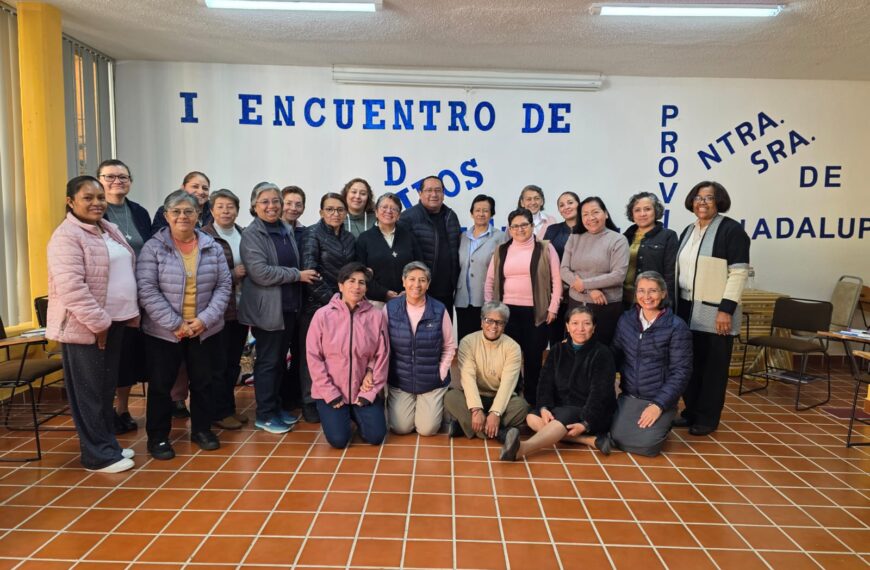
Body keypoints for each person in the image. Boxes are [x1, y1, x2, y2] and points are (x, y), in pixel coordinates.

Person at [46, 176, 140, 473]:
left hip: (114, 322)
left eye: (100, 197)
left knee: (104, 390)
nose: (97, 203)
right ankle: (97, 455)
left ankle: (107, 444)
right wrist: (100, 324)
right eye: (88, 198)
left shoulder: (106, 228)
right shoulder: (66, 237)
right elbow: (72, 288)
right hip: (86, 327)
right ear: (70, 201)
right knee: (88, 393)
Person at [137, 190, 232, 460]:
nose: (182, 216)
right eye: (176, 211)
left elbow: (224, 286)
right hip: (164, 333)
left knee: (203, 382)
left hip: (204, 330)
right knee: (161, 385)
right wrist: (176, 324)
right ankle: (158, 438)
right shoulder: (153, 247)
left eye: (188, 211)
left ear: (198, 215)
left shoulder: (211, 245)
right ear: (166, 215)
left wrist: (203, 320)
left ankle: (202, 430)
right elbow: (147, 289)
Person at [238, 182, 319, 434]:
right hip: (268, 310)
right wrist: (297, 275)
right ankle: (264, 414)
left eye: (275, 201)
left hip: (289, 307)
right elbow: (260, 272)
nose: (271, 206)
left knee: (279, 361)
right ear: (254, 205)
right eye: (265, 201)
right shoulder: (252, 234)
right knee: (268, 362)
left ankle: (275, 407)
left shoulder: (284, 228)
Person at [673, 181, 750, 436]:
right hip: (685, 307)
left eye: (708, 198)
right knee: (689, 364)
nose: (702, 202)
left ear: (719, 201)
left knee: (713, 367)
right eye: (698, 197)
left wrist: (726, 309)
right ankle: (691, 411)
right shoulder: (688, 230)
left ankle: (707, 418)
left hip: (715, 310)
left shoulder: (731, 231)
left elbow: (738, 273)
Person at [500, 307, 617, 462]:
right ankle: (588, 440)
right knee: (531, 418)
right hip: (560, 406)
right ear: (567, 327)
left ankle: (522, 448)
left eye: (586, 324)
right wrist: (544, 408)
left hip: (587, 410)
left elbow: (600, 395)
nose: (580, 329)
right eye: (575, 323)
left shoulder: (602, 353)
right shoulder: (558, 349)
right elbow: (545, 382)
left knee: (561, 418)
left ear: (594, 327)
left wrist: (586, 424)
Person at [600, 271, 692, 456]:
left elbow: (681, 372)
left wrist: (659, 404)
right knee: (616, 438)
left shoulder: (676, 326)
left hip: (658, 398)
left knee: (647, 447)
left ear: (664, 293)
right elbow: (614, 355)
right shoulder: (626, 319)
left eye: (653, 291)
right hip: (630, 396)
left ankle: (664, 418)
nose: (646, 297)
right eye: (641, 291)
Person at [306, 263, 389, 448]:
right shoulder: (322, 315)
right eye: (351, 281)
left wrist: (370, 377)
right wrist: (330, 393)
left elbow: (381, 354)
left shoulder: (375, 316)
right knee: (339, 441)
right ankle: (344, 413)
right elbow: (313, 358)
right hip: (332, 392)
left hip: (363, 389)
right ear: (340, 285)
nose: (357, 286)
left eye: (361, 282)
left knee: (376, 437)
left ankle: (355, 412)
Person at [484, 208, 561, 407]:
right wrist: (489, 308)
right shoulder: (501, 250)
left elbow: (556, 280)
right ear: (509, 229)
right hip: (506, 312)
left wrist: (553, 307)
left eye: (524, 225)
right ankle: (512, 399)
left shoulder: (545, 248)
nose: (520, 229)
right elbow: (490, 280)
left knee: (534, 357)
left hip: (537, 312)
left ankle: (532, 400)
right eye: (515, 226)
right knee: (510, 357)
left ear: (532, 225)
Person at [97, 159, 152, 435]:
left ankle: (123, 408)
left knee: (130, 356)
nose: (117, 181)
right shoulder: (95, 214)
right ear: (99, 180)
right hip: (108, 297)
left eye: (123, 176)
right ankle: (104, 413)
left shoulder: (139, 212)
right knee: (110, 358)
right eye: (110, 177)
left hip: (139, 295)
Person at [299, 192, 357, 423]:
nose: (335, 214)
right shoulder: (312, 233)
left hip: (343, 305)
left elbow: (352, 269)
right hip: (317, 306)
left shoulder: (349, 237)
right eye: (330, 209)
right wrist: (334, 300)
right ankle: (309, 401)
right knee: (312, 355)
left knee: (338, 355)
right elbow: (310, 272)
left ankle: (338, 397)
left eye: (340, 210)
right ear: (321, 212)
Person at [385, 262, 457, 436]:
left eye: (422, 280)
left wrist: (440, 373)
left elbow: (449, 346)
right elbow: (382, 346)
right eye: (411, 279)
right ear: (403, 281)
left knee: (427, 430)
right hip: (401, 380)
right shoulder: (391, 308)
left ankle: (438, 402)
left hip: (431, 381)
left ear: (428, 284)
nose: (416, 285)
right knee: (401, 428)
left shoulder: (439, 310)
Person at [443, 302, 530, 440]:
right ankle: (499, 433)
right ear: (482, 322)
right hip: (472, 398)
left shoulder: (513, 347)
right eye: (489, 320)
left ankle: (466, 427)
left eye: (499, 322)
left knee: (522, 407)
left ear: (504, 325)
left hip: (500, 398)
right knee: (450, 397)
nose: (493, 326)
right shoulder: (467, 342)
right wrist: (476, 409)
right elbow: (468, 378)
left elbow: (508, 385)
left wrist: (495, 413)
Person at [201, 189, 249, 430]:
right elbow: (204, 275)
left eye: (230, 207)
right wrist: (232, 275)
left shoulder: (243, 233)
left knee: (232, 363)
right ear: (211, 211)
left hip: (241, 309)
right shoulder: (205, 236)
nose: (226, 211)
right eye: (220, 206)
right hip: (218, 310)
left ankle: (229, 408)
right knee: (217, 364)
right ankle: (219, 413)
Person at [560, 196, 628, 346]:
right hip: (576, 304)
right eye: (585, 214)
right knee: (574, 351)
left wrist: (584, 284)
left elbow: (618, 275)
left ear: (606, 214)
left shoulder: (618, 240)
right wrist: (589, 290)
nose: (590, 218)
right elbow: (564, 270)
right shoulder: (574, 237)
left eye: (595, 212)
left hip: (606, 306)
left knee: (602, 351)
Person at [398, 175, 461, 318]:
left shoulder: (451, 216)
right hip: (418, 290)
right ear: (420, 193)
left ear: (444, 194)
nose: (434, 194)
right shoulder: (407, 217)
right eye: (429, 190)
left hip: (446, 290)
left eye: (438, 190)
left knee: (444, 332)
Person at [355, 193, 422, 308]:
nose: (389, 211)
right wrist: (384, 293)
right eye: (384, 207)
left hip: (408, 300)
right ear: (376, 212)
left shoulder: (409, 236)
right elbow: (360, 272)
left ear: (399, 215)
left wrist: (409, 290)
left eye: (394, 209)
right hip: (375, 303)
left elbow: (420, 266)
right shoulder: (364, 238)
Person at [455, 194, 504, 342]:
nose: (481, 214)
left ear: (492, 214)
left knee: (486, 341)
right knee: (465, 341)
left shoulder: (500, 237)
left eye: (485, 210)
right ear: (471, 213)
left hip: (486, 298)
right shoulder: (462, 237)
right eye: (477, 210)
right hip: (463, 298)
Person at [622, 192, 679, 306]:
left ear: (656, 211)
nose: (642, 214)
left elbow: (670, 274)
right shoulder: (625, 237)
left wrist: (666, 302)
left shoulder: (668, 236)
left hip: (652, 302)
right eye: (637, 210)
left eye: (647, 209)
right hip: (624, 300)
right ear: (632, 214)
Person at [543, 191, 581, 347]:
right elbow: (545, 260)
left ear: (579, 204)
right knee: (556, 340)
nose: (566, 207)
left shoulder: (589, 228)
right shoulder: (552, 230)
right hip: (557, 293)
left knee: (578, 337)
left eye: (570, 202)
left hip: (581, 291)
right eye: (561, 205)